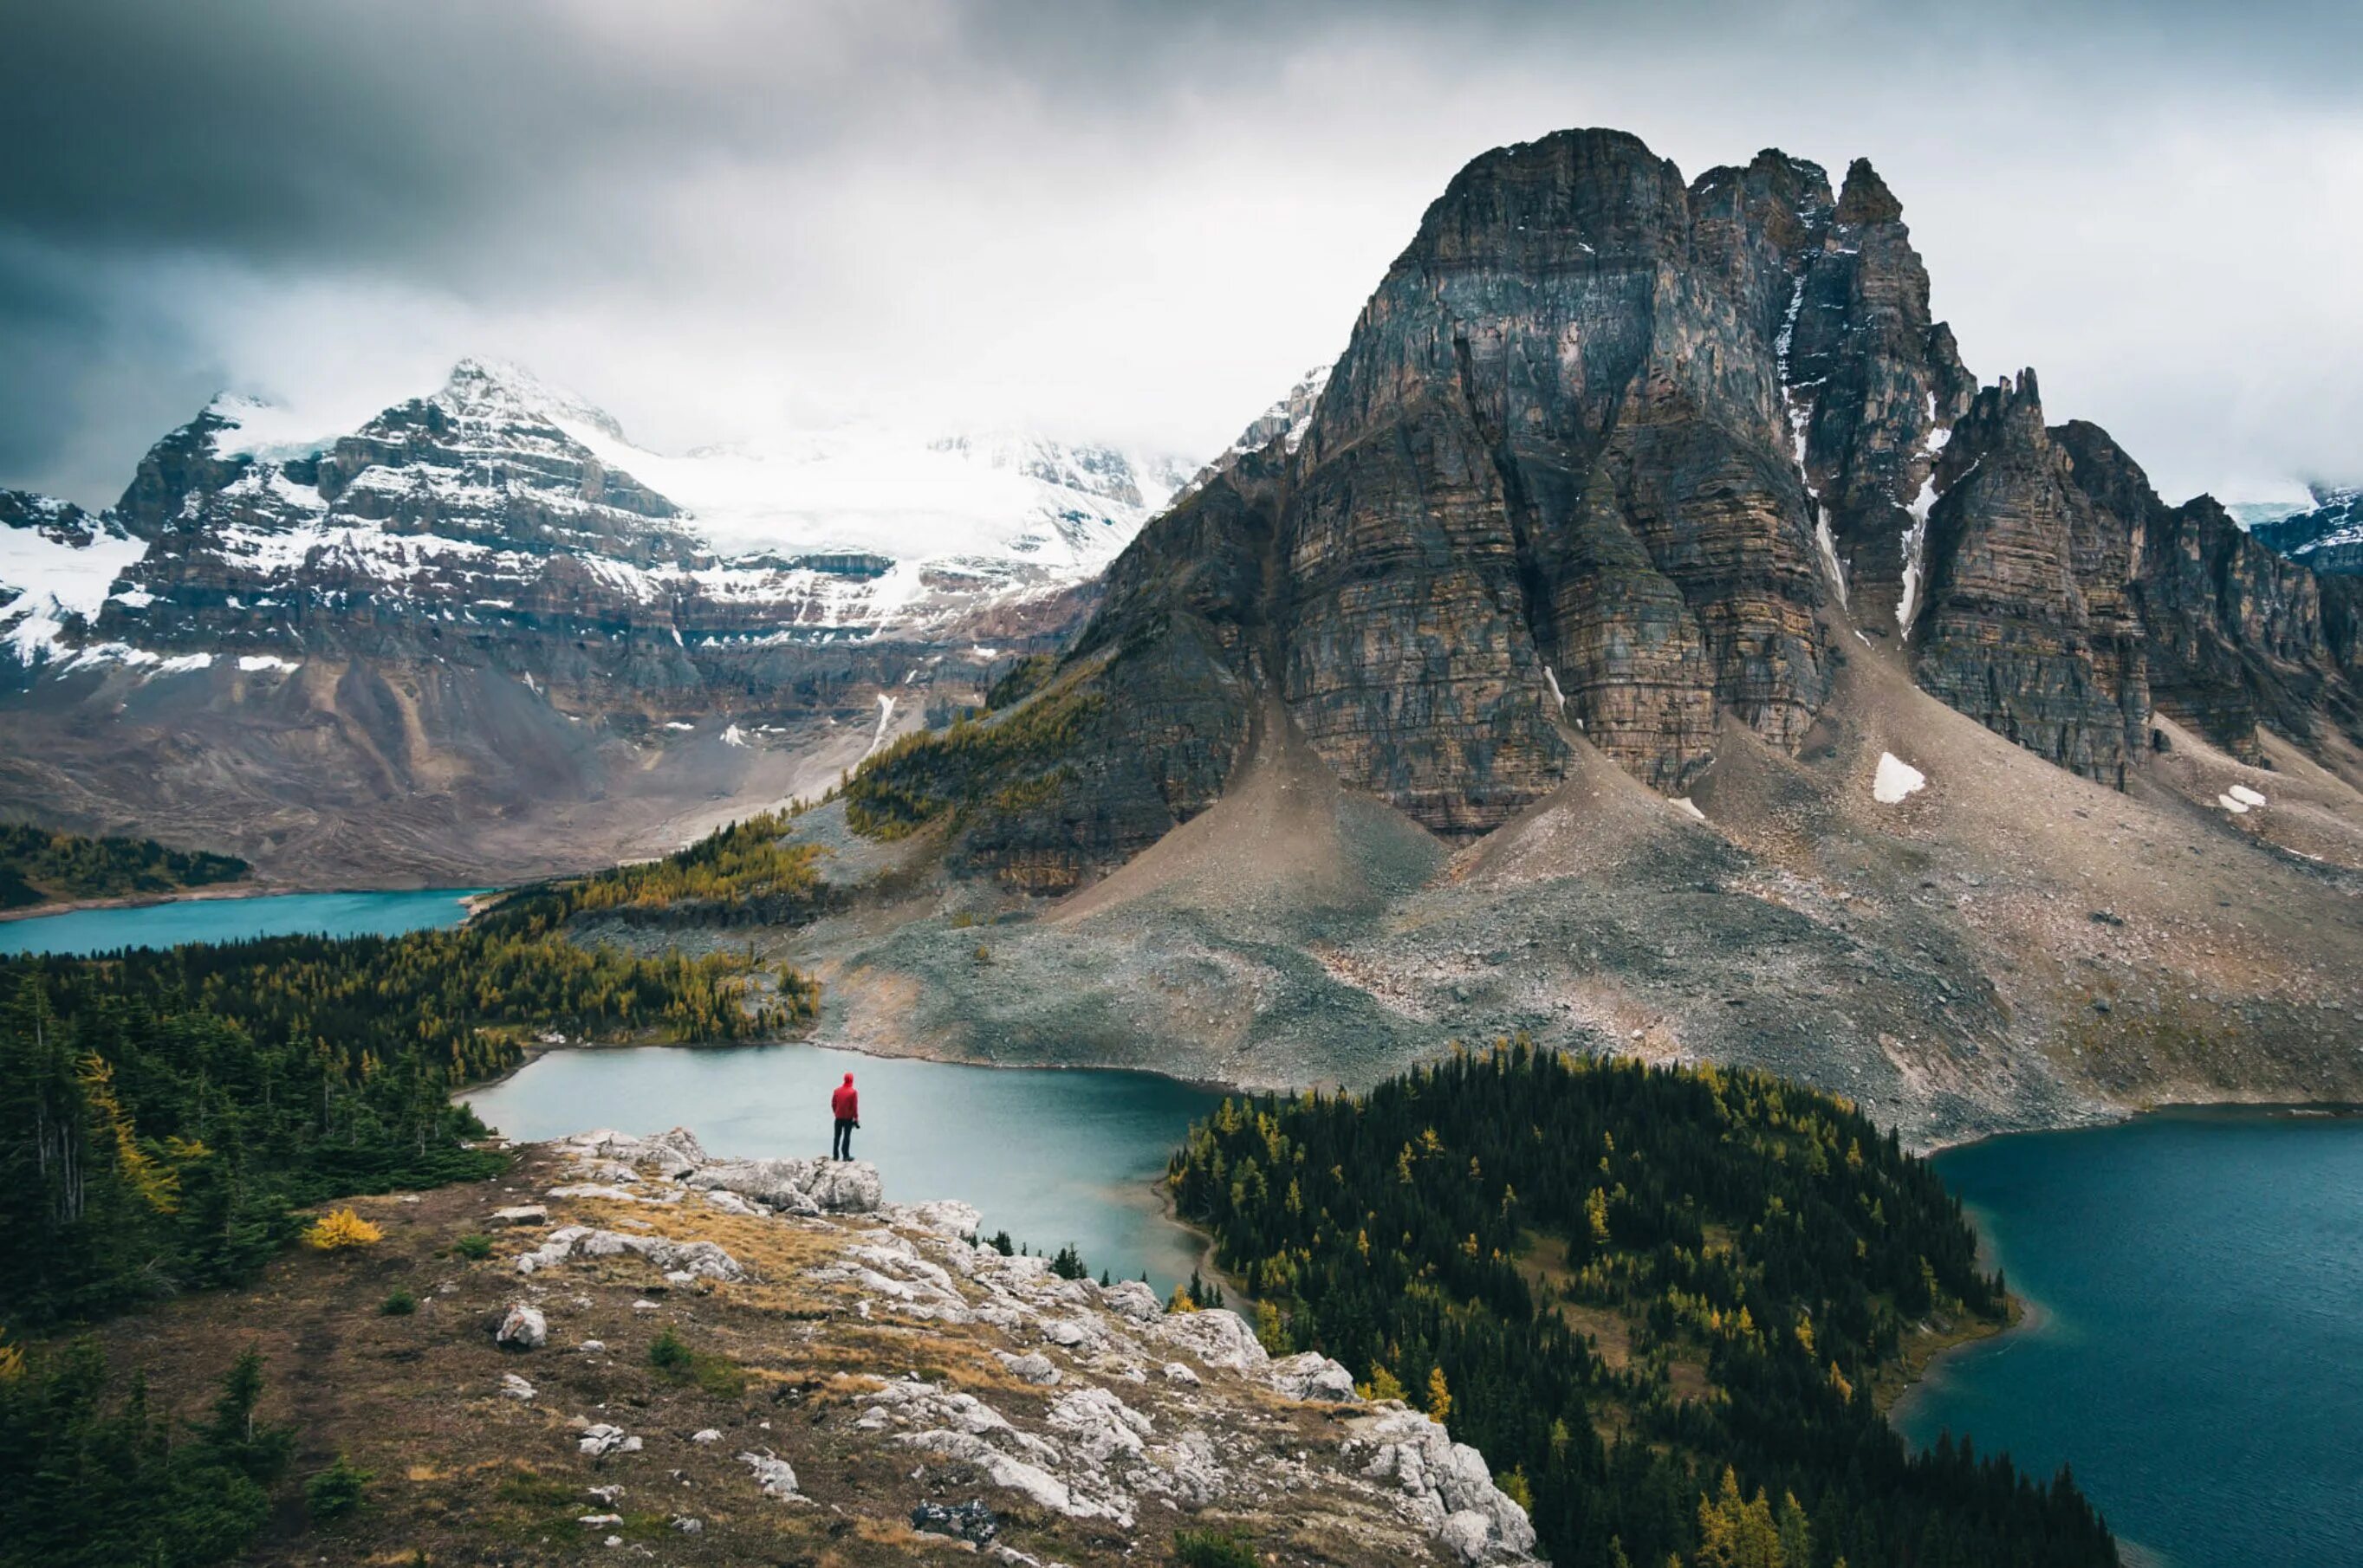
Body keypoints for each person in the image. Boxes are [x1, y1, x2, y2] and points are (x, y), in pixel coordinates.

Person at [830, 1072, 860, 1161]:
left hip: (838, 1117)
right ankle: (845, 1156)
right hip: (848, 1119)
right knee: (847, 1137)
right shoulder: (853, 1092)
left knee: (837, 1136)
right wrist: (856, 1118)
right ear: (852, 1080)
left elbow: (833, 1104)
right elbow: (854, 1107)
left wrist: (836, 1112)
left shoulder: (836, 1091)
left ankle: (835, 1156)